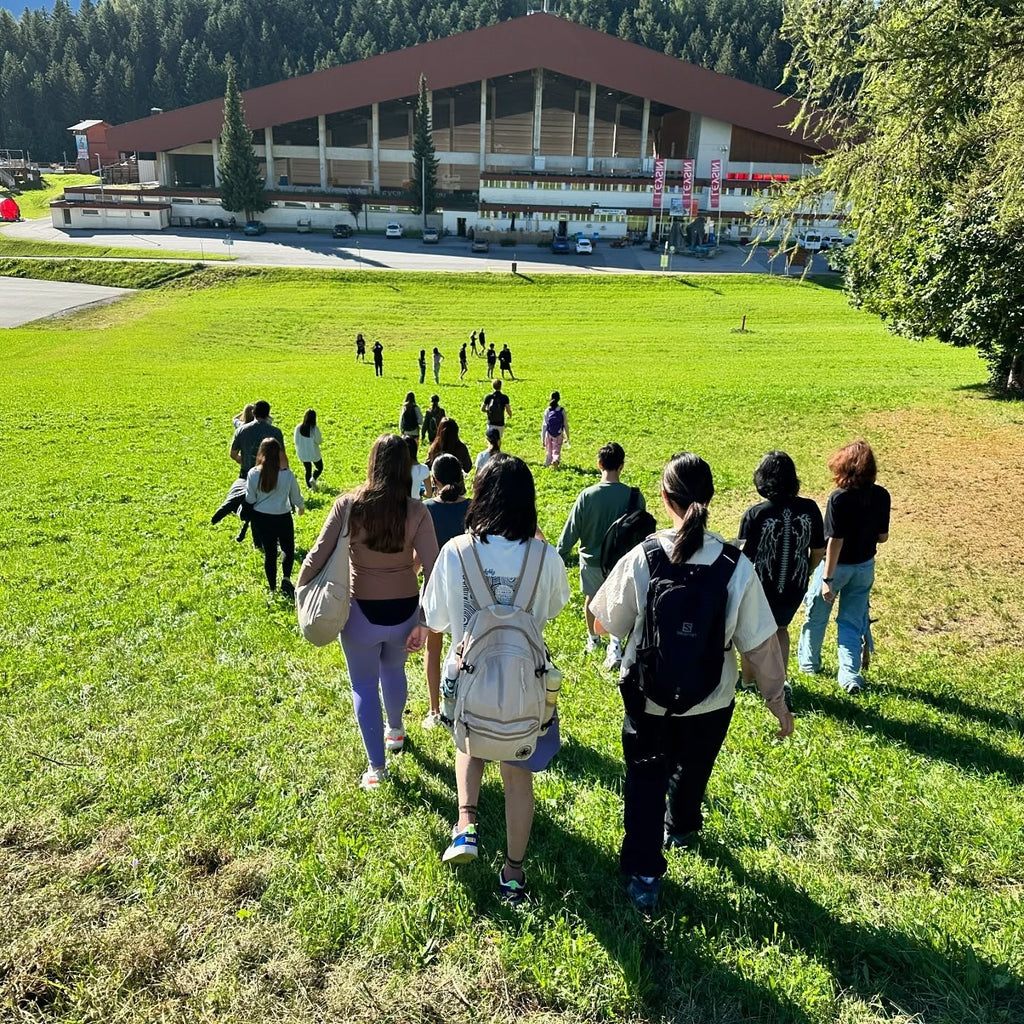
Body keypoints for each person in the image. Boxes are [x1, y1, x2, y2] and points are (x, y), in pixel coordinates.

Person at [591, 452, 794, 911]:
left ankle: (645, 875)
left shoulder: (643, 556)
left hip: (648, 697)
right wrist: (777, 702)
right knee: (693, 769)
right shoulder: (735, 565)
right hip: (712, 699)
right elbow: (761, 645)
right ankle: (681, 826)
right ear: (710, 498)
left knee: (645, 782)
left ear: (665, 498)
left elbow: (605, 622)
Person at [421, 455, 570, 903]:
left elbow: (435, 616)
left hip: (469, 678)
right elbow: (554, 607)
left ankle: (466, 824)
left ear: (480, 496)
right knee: (518, 772)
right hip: (526, 683)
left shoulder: (456, 551)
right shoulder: (544, 555)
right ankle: (513, 874)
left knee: (468, 743)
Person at [297, 435, 439, 790]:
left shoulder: (348, 505)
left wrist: (302, 589)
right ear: (407, 468)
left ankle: (377, 768)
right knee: (393, 669)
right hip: (405, 612)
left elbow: (316, 555)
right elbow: (435, 569)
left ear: (372, 463)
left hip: (359, 613)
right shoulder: (418, 512)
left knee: (363, 684)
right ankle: (396, 730)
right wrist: (424, 620)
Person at [798, 440, 890, 694]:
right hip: (864, 568)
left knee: (816, 617)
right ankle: (850, 676)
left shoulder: (839, 498)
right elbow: (883, 537)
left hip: (835, 568)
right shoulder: (881, 495)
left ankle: (809, 665)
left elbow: (835, 541)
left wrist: (827, 580)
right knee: (851, 623)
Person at [737, 451, 825, 696]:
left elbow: (744, 558)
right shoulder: (809, 508)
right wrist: (808, 569)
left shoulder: (756, 514)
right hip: (795, 583)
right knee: (781, 629)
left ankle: (748, 681)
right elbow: (819, 549)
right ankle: (778, 681)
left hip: (762, 584)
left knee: (751, 633)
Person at [557, 442, 644, 668]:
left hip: (592, 560)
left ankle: (593, 639)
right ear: (622, 466)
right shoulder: (634, 497)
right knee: (618, 602)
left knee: (592, 600)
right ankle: (615, 644)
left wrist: (559, 555)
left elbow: (571, 530)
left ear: (599, 465)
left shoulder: (587, 496)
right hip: (622, 561)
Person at [421, 453, 471, 728]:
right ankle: (467, 703)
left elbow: (416, 558)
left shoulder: (426, 509)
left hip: (435, 587)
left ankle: (434, 709)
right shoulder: (475, 507)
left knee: (434, 647)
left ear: (434, 480)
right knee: (470, 648)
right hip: (470, 588)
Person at [245, 437, 304, 595]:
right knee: (288, 549)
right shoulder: (287, 475)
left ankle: (272, 588)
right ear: (279, 453)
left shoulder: (253, 474)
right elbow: (296, 496)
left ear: (261, 452)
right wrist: (301, 507)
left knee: (270, 553)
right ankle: (286, 579)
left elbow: (250, 499)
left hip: (262, 518)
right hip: (283, 516)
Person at [231, 400, 284, 478]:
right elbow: (281, 456)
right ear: (268, 415)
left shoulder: (241, 430)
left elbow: (233, 454)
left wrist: (244, 461)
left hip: (246, 474)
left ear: (253, 413)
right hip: (268, 474)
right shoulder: (276, 432)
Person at [294, 408, 324, 490]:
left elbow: (296, 441)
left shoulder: (298, 427)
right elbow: (319, 441)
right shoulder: (314, 429)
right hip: (313, 453)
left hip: (303, 453)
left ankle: (309, 487)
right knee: (319, 467)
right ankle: (313, 478)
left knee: (308, 470)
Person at [541, 391, 568, 469]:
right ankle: (555, 460)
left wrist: (543, 438)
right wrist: (567, 435)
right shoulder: (562, 410)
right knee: (556, 450)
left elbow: (544, 425)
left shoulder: (548, 410)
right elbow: (565, 424)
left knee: (549, 450)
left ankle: (547, 464)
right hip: (559, 433)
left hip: (548, 433)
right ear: (559, 399)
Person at [405, 435, 432, 500]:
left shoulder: (394, 469)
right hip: (415, 503)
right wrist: (421, 492)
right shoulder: (424, 469)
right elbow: (429, 494)